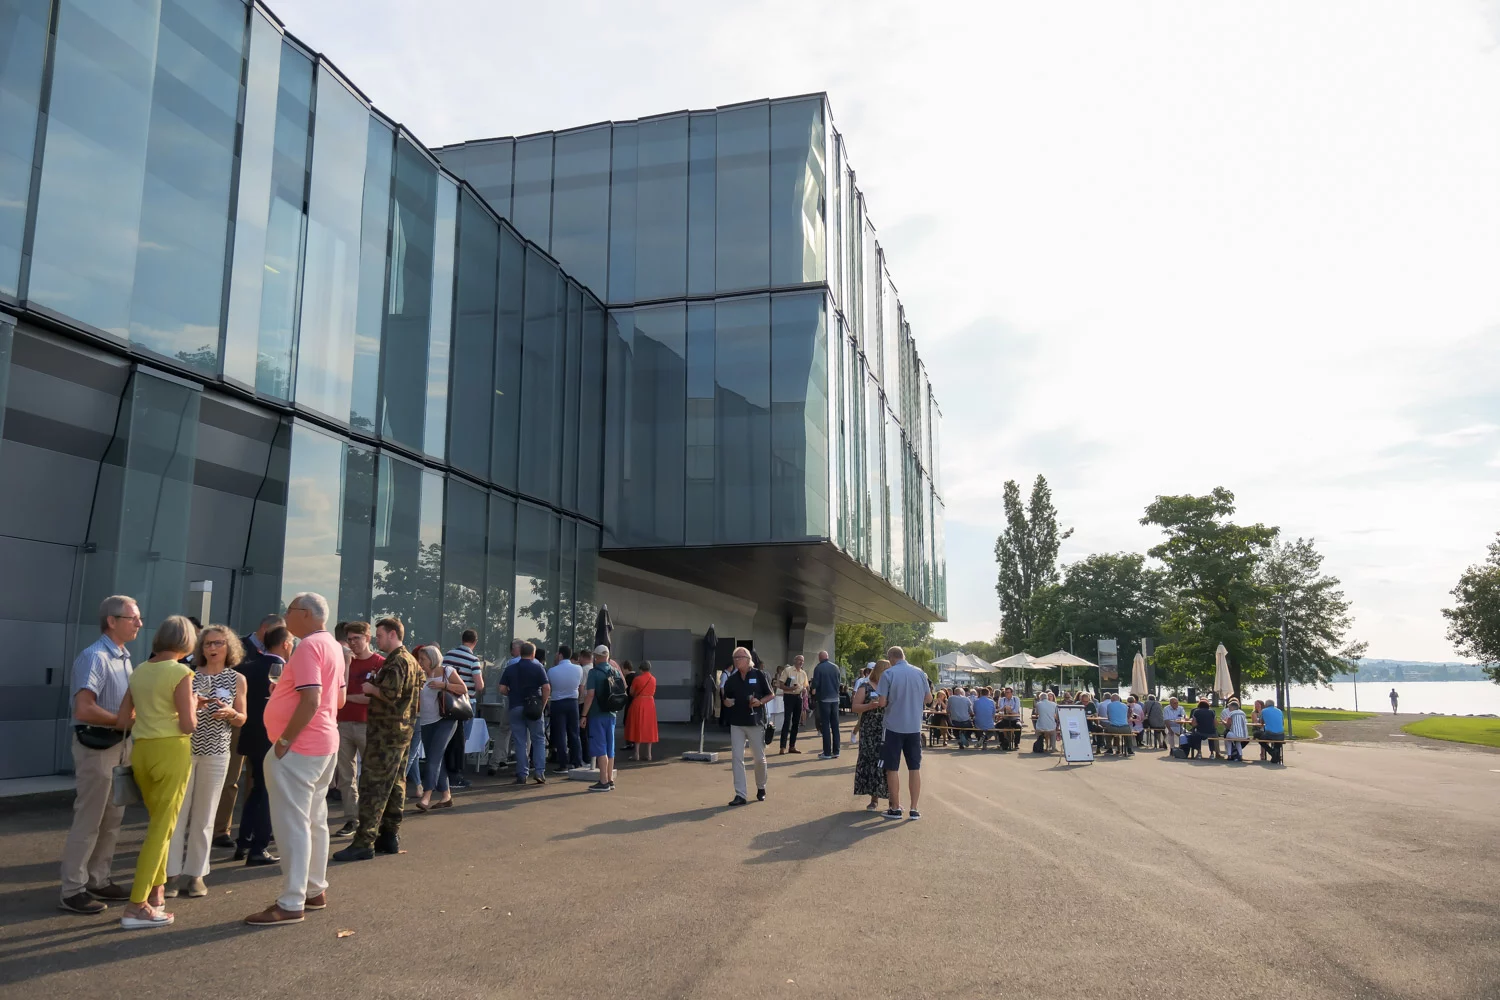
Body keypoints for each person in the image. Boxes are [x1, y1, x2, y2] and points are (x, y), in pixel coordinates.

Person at [244, 593, 345, 928]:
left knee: (293, 825)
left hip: (300, 747)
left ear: (303, 614)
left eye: (288, 610)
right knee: (314, 820)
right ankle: (314, 889)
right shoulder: (331, 645)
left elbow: (312, 698)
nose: (285, 616)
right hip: (323, 743)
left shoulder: (307, 647)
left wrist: (285, 740)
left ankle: (291, 902)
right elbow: (337, 698)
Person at [111, 615, 200, 929]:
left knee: (160, 825)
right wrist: (191, 703)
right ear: (187, 641)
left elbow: (124, 718)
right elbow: (188, 724)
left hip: (143, 750)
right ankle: (137, 905)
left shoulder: (140, 670)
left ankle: (156, 893)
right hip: (171, 749)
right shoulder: (181, 672)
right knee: (162, 830)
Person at [58, 595, 141, 915]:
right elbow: (83, 708)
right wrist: (125, 721)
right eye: (133, 618)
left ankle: (98, 878)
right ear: (112, 621)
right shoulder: (95, 657)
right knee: (90, 820)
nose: (139, 623)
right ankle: (72, 889)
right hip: (97, 748)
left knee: (112, 819)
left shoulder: (123, 657)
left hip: (120, 746)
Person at [163, 625, 246, 898]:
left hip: (217, 751)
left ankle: (196, 873)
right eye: (208, 643)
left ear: (229, 647)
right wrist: (193, 707)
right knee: (179, 814)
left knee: (205, 815)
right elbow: (172, 713)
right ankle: (171, 874)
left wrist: (232, 712)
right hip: (184, 749)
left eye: (219, 643)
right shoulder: (188, 675)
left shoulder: (237, 679)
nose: (212, 648)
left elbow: (243, 718)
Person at [334, 617, 424, 863]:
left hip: (386, 734)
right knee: (396, 784)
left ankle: (364, 841)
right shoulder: (411, 661)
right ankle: (389, 835)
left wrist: (371, 689)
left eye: (381, 635)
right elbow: (418, 685)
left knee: (374, 787)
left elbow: (390, 693)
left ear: (393, 634)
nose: (378, 639)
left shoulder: (397, 661)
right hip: (400, 731)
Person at [214, 612, 284, 849]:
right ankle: (221, 829)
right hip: (235, 721)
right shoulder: (238, 647)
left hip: (259, 725)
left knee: (256, 783)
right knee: (231, 778)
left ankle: (251, 830)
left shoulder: (274, 660)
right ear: (267, 631)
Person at [235, 625, 289, 866]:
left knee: (257, 789)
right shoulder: (284, 671)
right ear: (286, 644)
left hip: (249, 735)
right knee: (269, 792)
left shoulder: (245, 668)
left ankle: (243, 841)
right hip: (272, 738)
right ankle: (259, 846)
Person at [331, 622, 382, 839]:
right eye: (350, 639)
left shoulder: (379, 663)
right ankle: (352, 818)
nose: (353, 643)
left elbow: (371, 697)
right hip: (342, 724)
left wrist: (347, 698)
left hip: (367, 724)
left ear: (368, 639)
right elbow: (336, 690)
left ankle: (372, 819)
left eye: (357, 639)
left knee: (370, 773)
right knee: (346, 774)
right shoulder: (343, 662)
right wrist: (347, 664)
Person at [874, 646, 932, 821]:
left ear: (891, 658)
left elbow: (882, 702)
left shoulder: (888, 674)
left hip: (893, 726)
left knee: (892, 767)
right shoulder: (920, 673)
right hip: (914, 726)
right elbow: (929, 699)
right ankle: (914, 808)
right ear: (903, 656)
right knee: (914, 767)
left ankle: (895, 807)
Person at [414, 644, 467, 807]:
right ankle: (446, 795)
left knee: (433, 757)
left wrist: (443, 685)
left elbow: (463, 688)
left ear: (433, 658)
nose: (420, 661)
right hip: (426, 721)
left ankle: (427, 795)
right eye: (419, 658)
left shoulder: (447, 671)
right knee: (436, 758)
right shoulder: (419, 675)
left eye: (423, 659)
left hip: (446, 720)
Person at [720, 647, 772, 806]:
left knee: (759, 758)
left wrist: (760, 702)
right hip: (737, 723)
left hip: (755, 722)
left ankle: (761, 787)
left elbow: (770, 694)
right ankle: (740, 794)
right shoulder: (732, 679)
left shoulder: (759, 675)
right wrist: (726, 702)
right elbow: (726, 697)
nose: (736, 660)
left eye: (739, 657)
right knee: (737, 758)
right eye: (734, 658)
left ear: (748, 659)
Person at [499, 641, 551, 785]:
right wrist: (543, 704)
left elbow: (502, 688)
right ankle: (539, 772)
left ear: (520, 652)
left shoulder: (511, 668)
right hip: (533, 707)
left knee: (520, 742)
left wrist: (511, 693)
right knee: (538, 739)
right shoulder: (538, 667)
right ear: (533, 654)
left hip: (515, 706)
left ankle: (522, 774)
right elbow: (546, 687)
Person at [441, 629, 484, 789]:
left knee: (448, 738)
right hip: (465, 702)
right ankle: (455, 774)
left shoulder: (448, 655)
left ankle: (444, 772)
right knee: (460, 739)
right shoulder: (473, 660)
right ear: (475, 641)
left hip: (448, 700)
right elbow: (479, 685)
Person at [581, 645, 623, 791]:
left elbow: (590, 695)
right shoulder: (615, 671)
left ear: (596, 657)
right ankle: (610, 779)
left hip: (597, 714)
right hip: (612, 713)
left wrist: (583, 715)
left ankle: (603, 781)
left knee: (600, 747)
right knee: (610, 747)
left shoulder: (594, 673)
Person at [852, 659, 891, 809]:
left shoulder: (890, 688)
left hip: (886, 727)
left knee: (887, 762)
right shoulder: (865, 686)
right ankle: (874, 798)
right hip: (869, 729)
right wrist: (869, 706)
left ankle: (891, 799)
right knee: (871, 761)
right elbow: (855, 707)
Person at [547, 644, 585, 774]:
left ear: (560, 655)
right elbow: (580, 686)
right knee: (574, 732)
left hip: (557, 702)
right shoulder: (578, 669)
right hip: (573, 702)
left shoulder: (552, 671)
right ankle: (577, 761)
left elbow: (550, 687)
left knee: (560, 734)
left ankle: (563, 763)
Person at [810, 650, 842, 759]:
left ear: (820, 658)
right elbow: (839, 682)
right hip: (835, 699)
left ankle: (827, 752)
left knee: (826, 726)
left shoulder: (818, 668)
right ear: (827, 657)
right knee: (835, 726)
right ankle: (836, 751)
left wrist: (813, 691)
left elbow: (815, 684)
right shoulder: (836, 667)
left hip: (824, 699)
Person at [625, 661, 659, 760]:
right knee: (650, 727)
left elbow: (631, 692)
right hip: (650, 703)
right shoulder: (653, 679)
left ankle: (637, 753)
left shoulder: (637, 679)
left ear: (640, 669)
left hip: (639, 702)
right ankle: (649, 754)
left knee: (637, 726)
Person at [776, 655, 808, 754]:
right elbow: (781, 685)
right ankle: (782, 746)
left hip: (799, 698)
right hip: (789, 696)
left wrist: (805, 690)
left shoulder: (803, 673)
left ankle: (792, 746)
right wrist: (790, 689)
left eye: (802, 661)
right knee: (787, 721)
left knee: (796, 722)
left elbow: (805, 685)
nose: (801, 662)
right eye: (799, 660)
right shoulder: (788, 670)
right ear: (795, 661)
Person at [849, 664, 873, 745]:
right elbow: (855, 692)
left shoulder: (877, 681)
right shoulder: (861, 681)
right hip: (862, 705)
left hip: (872, 705)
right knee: (861, 721)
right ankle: (854, 733)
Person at [1258, 698, 1286, 764]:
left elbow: (1261, 723)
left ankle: (1272, 752)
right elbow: (1282, 723)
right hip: (1281, 735)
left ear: (1266, 705)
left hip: (1270, 734)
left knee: (1259, 738)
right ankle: (1276, 757)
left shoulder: (1264, 711)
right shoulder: (1279, 711)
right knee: (1277, 741)